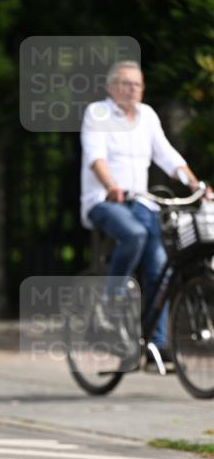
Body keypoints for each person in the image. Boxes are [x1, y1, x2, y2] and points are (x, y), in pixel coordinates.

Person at [80, 60, 204, 364]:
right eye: (126, 83)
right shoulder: (98, 113)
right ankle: (110, 306)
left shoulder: (147, 116)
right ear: (111, 87)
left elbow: (166, 154)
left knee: (161, 266)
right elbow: (95, 157)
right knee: (133, 235)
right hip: (105, 201)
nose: (133, 89)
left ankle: (155, 343)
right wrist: (112, 186)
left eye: (137, 84)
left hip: (142, 201)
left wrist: (196, 184)